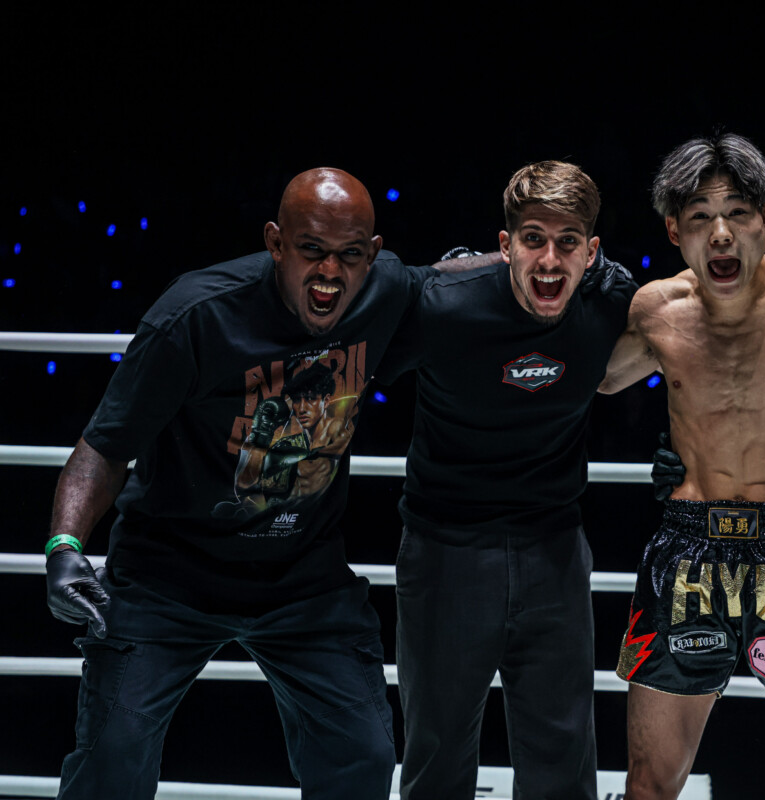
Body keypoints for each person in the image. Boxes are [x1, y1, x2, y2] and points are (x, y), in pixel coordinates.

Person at [41, 167, 483, 800]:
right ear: (276, 243)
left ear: (372, 254)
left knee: (362, 753)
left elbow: (448, 276)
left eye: (349, 255)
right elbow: (105, 447)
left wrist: (561, 263)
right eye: (312, 250)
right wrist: (64, 547)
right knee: (111, 756)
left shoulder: (383, 289)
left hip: (303, 578)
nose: (329, 272)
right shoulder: (195, 315)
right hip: (168, 575)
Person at [598, 133, 765, 799]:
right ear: (674, 231)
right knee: (650, 780)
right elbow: (589, 378)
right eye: (700, 217)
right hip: (688, 548)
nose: (721, 234)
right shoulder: (656, 310)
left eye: (738, 213)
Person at [376, 160, 636, 799]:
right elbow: (351, 362)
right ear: (505, 245)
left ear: (591, 252)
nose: (549, 260)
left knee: (563, 761)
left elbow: (699, 344)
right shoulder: (443, 306)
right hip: (445, 550)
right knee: (436, 757)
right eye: (533, 239)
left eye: (568, 242)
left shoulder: (611, 304)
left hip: (555, 550)